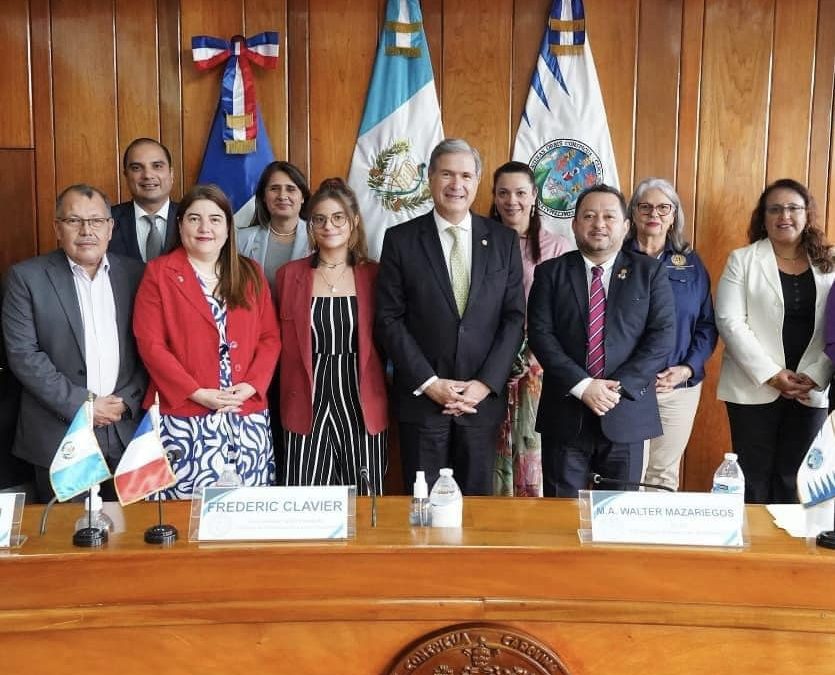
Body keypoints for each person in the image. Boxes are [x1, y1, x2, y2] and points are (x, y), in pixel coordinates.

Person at [376, 138, 525, 495]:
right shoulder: (400, 239)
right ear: (430, 178)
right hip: (423, 400)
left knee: (477, 509)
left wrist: (485, 384)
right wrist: (430, 383)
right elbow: (389, 319)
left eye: (465, 176)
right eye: (446, 174)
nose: (456, 185)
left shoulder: (504, 240)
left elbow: (514, 318)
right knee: (422, 509)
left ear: (476, 183)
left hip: (481, 402)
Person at [528, 184, 676, 498]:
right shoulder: (550, 272)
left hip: (626, 412)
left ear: (625, 226)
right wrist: (583, 386)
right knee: (561, 516)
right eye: (589, 216)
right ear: (575, 223)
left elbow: (661, 336)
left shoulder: (649, 272)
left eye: (609, 216)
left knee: (619, 517)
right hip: (566, 412)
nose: (599, 224)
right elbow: (541, 335)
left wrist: (617, 387)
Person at [133, 184, 280, 498]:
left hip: (245, 415)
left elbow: (270, 337)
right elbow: (151, 345)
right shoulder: (159, 273)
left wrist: (253, 384)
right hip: (184, 415)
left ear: (228, 227)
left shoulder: (250, 272)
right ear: (180, 224)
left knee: (245, 514)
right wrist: (197, 392)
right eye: (194, 218)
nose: (204, 228)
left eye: (215, 219)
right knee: (182, 518)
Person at [2, 184, 146, 503]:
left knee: (133, 541)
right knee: (67, 539)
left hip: (127, 430)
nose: (86, 231)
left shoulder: (137, 275)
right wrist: (84, 406)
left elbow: (150, 346)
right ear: (57, 227)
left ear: (110, 228)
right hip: (59, 434)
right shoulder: (26, 278)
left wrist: (127, 399)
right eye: (74, 221)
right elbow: (24, 355)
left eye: (96, 221)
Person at [717, 178, 834, 504]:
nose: (785, 216)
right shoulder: (742, 260)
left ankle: (787, 550)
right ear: (763, 217)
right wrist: (772, 374)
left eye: (794, 208)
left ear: (807, 214)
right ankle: (753, 551)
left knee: (797, 478)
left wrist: (817, 373)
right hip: (753, 385)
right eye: (776, 209)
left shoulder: (831, 263)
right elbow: (729, 322)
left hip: (812, 385)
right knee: (753, 478)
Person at [275, 179, 387, 495]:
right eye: (319, 219)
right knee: (306, 499)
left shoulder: (375, 275)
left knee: (367, 499)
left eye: (338, 217)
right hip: (306, 397)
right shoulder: (289, 275)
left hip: (361, 397)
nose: (329, 226)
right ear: (310, 226)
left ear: (353, 222)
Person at [625, 178, 717, 491]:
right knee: (627, 473)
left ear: (674, 215)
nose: (655, 214)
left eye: (664, 207)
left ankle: (655, 540)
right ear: (633, 213)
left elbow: (706, 325)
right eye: (645, 206)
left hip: (678, 387)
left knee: (662, 476)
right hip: (626, 387)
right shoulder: (616, 259)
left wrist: (686, 368)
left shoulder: (691, 264)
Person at [489, 160, 570, 496]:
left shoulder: (557, 248)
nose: (512, 201)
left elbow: (565, 314)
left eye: (521, 192)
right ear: (493, 197)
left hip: (539, 367)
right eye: (504, 193)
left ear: (534, 196)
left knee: (534, 448)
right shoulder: (481, 241)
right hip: (489, 363)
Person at [237, 161, 311, 293]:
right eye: (274, 188)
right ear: (264, 197)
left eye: (291, 189)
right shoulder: (241, 240)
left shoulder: (318, 238)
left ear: (302, 197)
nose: (282, 196)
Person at [109, 138, 178, 263]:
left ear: (171, 174)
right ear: (126, 176)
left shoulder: (190, 218)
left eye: (157, 166)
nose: (147, 175)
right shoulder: (106, 221)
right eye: (136, 168)